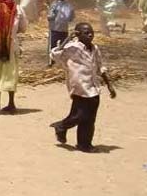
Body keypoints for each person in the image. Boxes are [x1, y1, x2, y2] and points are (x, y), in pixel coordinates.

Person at [50, 22, 116, 153]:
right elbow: (54, 54)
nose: (90, 35)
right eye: (86, 33)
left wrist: (109, 84)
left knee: (90, 118)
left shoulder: (95, 48)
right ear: (78, 34)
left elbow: (100, 66)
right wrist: (68, 38)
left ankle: (84, 144)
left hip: (93, 86)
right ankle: (61, 126)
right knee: (80, 115)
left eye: (91, 32)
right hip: (79, 86)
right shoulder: (72, 47)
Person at [47, 0, 75, 66]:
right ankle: (65, 61)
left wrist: (50, 17)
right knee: (65, 45)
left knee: (53, 46)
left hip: (54, 29)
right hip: (64, 29)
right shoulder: (69, 5)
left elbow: (50, 16)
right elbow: (71, 18)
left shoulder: (54, 5)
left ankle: (52, 61)